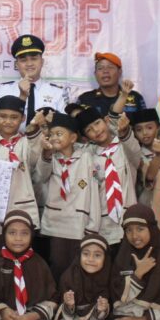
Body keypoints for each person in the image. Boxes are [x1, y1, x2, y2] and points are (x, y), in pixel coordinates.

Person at [37, 113, 101, 281]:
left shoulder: (85, 158)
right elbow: (41, 176)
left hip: (78, 224)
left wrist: (93, 225)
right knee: (57, 264)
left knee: (78, 268)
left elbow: (93, 191)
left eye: (59, 134)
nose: (54, 138)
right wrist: (46, 152)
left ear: (73, 138)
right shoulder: (51, 157)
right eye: (52, 134)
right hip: (56, 224)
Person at [0, 97, 48, 250]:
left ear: (22, 118)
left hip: (24, 210)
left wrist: (34, 128)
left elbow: (37, 168)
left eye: (14, 117)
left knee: (25, 257)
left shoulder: (27, 142)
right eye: (3, 116)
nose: (8, 121)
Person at [75, 106, 140, 252]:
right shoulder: (89, 156)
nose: (96, 130)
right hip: (104, 222)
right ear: (86, 137)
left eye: (97, 123)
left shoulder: (124, 146)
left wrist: (124, 132)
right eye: (89, 130)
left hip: (128, 217)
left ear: (106, 121)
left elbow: (135, 153)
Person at [53, 232, 114, 320]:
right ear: (79, 255)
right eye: (86, 254)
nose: (91, 259)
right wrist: (69, 305)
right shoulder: (68, 277)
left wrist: (101, 310)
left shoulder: (108, 278)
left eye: (97, 255)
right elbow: (60, 312)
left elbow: (106, 316)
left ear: (105, 258)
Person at [0, 34, 68, 129]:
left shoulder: (56, 92)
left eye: (34, 59)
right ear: (16, 64)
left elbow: (64, 127)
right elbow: (3, 125)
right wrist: (22, 97)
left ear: (42, 62)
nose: (29, 64)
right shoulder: (5, 89)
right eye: (23, 60)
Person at [78, 52, 147, 115]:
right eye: (100, 68)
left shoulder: (135, 97)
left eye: (110, 67)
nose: (105, 71)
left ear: (120, 72)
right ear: (95, 74)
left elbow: (144, 123)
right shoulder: (85, 99)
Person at [129, 108, 160, 205]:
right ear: (134, 133)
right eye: (139, 130)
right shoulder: (136, 157)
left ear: (159, 128)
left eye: (149, 128)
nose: (144, 133)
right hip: (147, 205)